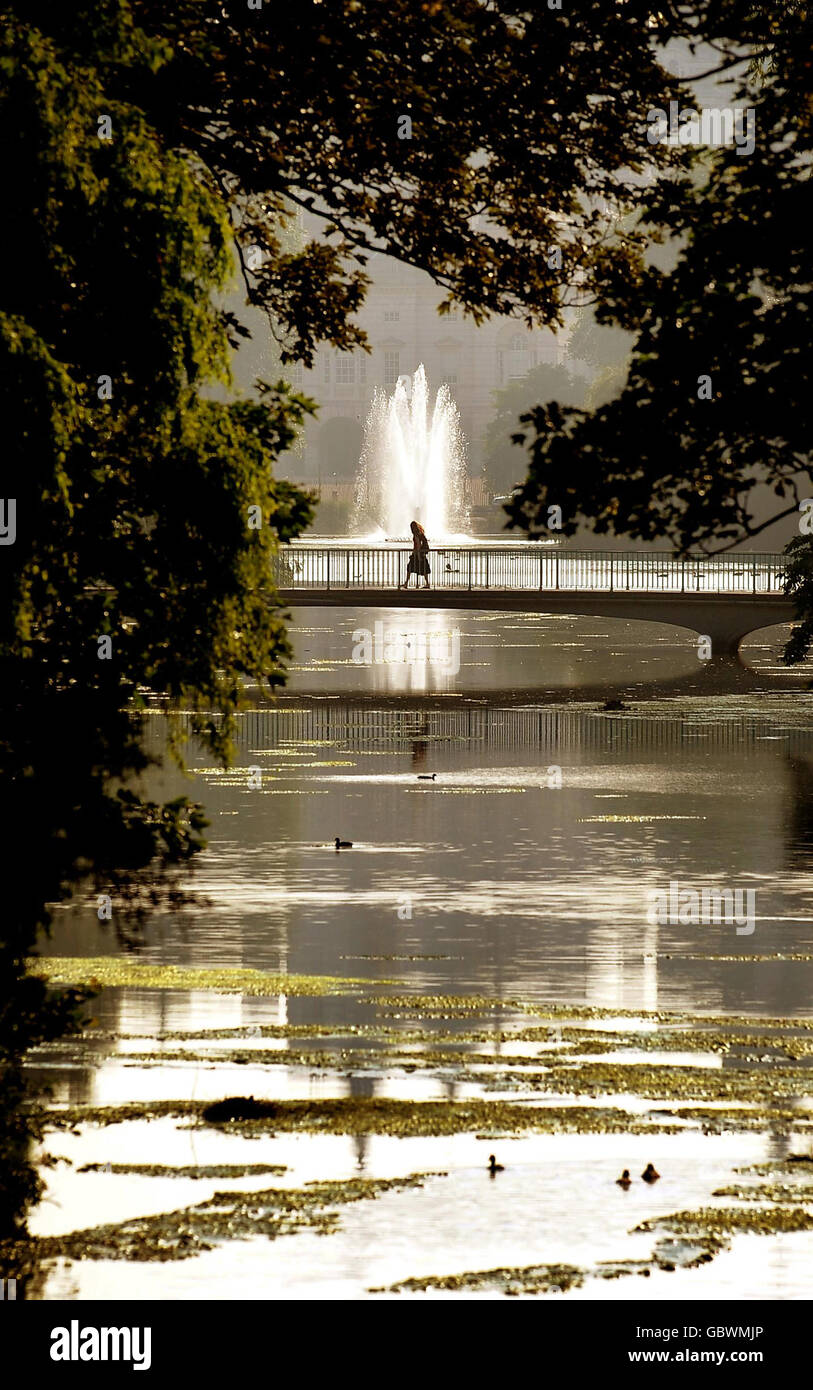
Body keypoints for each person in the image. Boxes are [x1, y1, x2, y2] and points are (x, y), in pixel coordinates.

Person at [400, 520, 431, 589]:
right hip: (421, 553)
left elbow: (418, 544)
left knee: (409, 568)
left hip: (417, 554)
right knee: (423, 569)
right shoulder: (421, 533)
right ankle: (427, 583)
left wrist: (417, 554)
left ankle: (406, 584)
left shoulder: (416, 534)